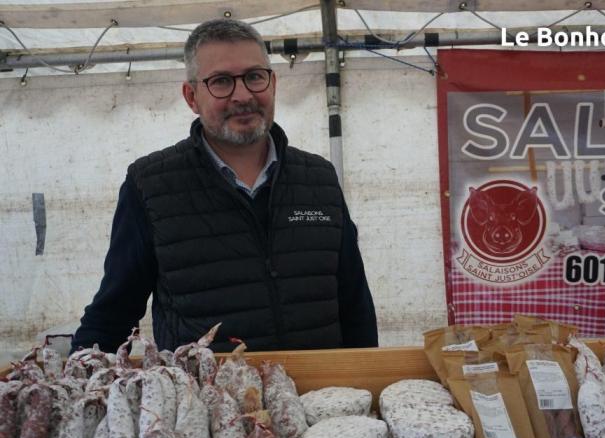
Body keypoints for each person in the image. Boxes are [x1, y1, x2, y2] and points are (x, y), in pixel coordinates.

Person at [71, 19, 378, 353]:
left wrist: (367, 380)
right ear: (191, 96)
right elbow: (114, 312)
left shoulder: (318, 178)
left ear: (272, 83)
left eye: (254, 76)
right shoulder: (150, 185)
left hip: (321, 397)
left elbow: (355, 306)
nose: (243, 95)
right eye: (221, 82)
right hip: (208, 400)